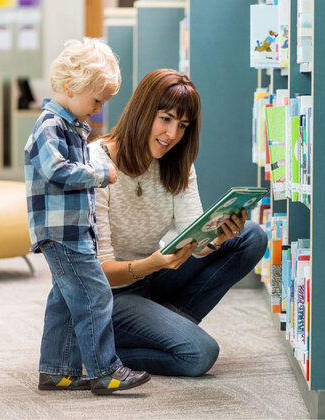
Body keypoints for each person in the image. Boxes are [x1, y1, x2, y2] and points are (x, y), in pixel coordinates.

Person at [89, 68, 268, 377]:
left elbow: (194, 244)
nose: (172, 134)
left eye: (182, 125)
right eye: (166, 118)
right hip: (111, 294)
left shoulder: (177, 164)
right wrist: (151, 265)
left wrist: (217, 238)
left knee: (251, 236)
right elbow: (102, 273)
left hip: (150, 276)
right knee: (198, 355)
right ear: (144, 111)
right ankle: (97, 349)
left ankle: (168, 321)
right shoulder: (97, 165)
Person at [24, 37, 150, 394]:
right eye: (96, 101)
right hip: (61, 232)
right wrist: (99, 174)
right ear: (70, 87)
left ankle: (57, 370)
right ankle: (103, 370)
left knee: (66, 299)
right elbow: (57, 171)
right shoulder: (50, 126)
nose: (97, 110)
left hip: (74, 231)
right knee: (95, 295)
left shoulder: (73, 128)